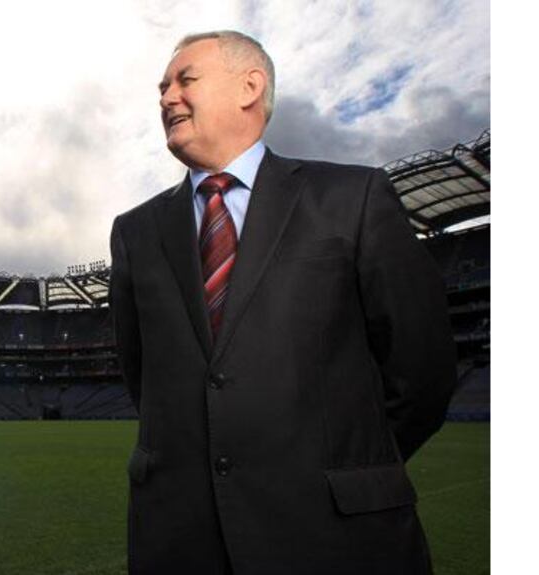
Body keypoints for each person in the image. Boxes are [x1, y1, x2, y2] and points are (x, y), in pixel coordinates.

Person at [108, 30, 457, 574]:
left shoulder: (353, 198)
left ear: (250, 86)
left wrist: (342, 465)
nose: (166, 97)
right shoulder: (135, 232)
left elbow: (424, 369)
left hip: (339, 538)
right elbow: (143, 377)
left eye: (185, 80)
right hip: (180, 541)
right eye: (162, 87)